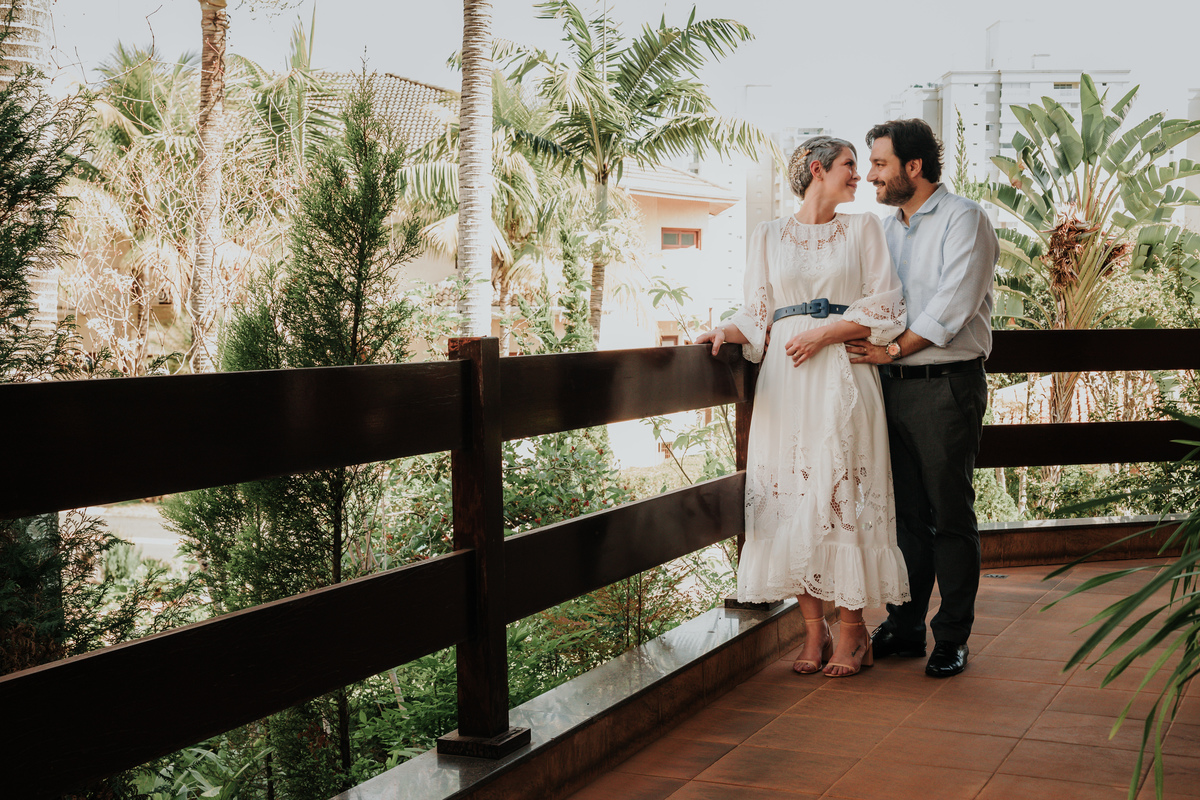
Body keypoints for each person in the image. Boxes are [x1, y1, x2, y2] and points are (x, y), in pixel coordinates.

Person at [696, 136, 910, 678]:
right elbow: (756, 313)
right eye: (848, 167)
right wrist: (721, 330)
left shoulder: (864, 229)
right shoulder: (768, 234)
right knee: (790, 495)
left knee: (843, 490)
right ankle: (813, 631)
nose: (858, 177)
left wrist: (825, 333)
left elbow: (887, 305)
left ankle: (854, 630)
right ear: (817, 170)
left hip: (841, 372)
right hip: (786, 381)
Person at [846, 119, 999, 678]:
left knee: (950, 516)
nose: (871, 176)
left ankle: (951, 636)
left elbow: (951, 308)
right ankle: (906, 626)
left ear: (914, 167)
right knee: (905, 517)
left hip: (945, 387)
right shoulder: (887, 229)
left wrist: (889, 353)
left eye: (881, 164)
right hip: (890, 389)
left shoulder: (965, 220)